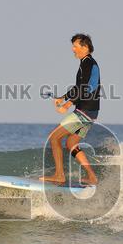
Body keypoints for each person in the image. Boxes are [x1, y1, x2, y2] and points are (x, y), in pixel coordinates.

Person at [40, 33, 100, 186]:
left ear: (85, 47)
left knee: (54, 138)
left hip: (84, 111)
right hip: (91, 112)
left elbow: (85, 88)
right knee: (71, 143)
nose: (73, 49)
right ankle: (92, 177)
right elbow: (78, 87)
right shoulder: (86, 63)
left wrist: (67, 104)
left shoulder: (88, 63)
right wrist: (63, 98)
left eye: (75, 46)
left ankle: (59, 175)